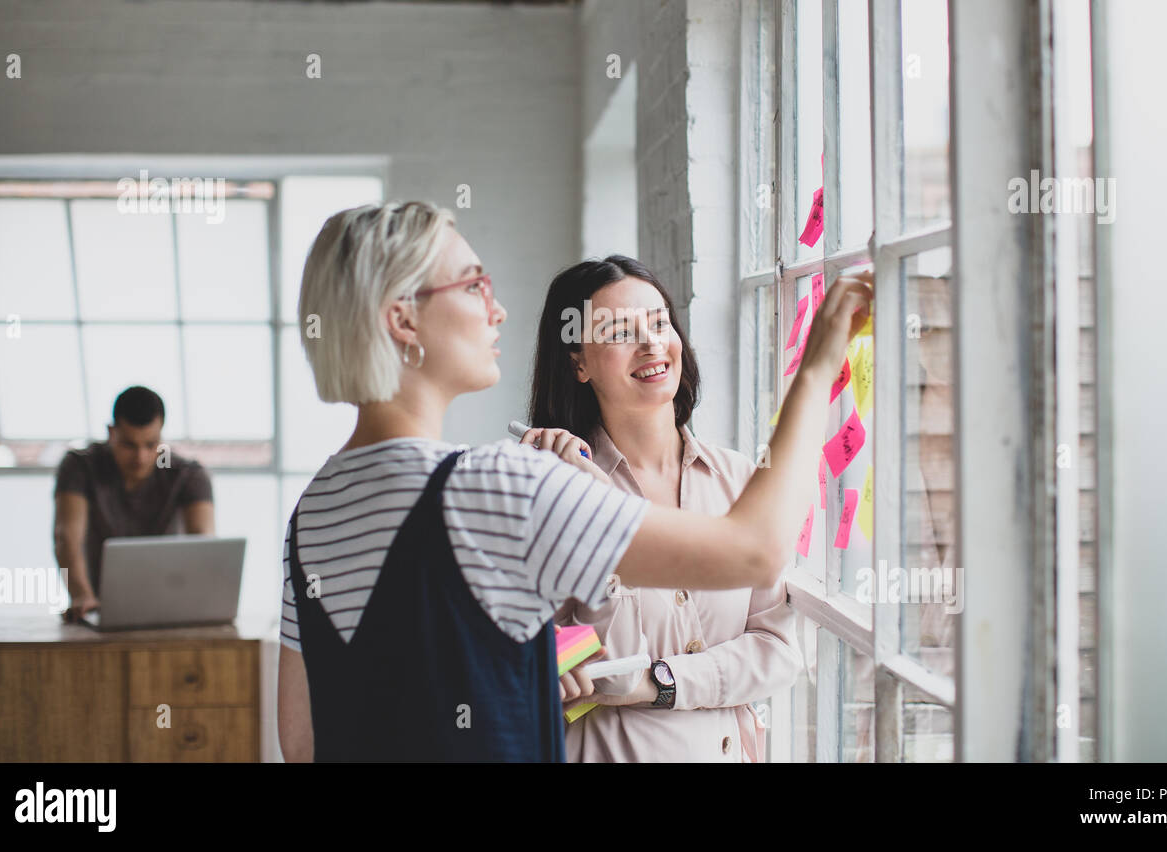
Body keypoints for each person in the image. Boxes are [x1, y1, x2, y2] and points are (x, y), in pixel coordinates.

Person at [277, 200, 871, 762]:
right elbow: (756, 552)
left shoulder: (314, 510)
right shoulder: (495, 483)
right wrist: (818, 363)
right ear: (402, 319)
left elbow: (304, 741)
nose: (497, 308)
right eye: (473, 284)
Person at [523, 256, 801, 762]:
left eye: (658, 322)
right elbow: (589, 677)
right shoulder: (550, 492)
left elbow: (778, 652)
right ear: (578, 364)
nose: (651, 343)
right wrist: (598, 509)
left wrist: (662, 682)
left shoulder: (739, 480)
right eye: (618, 332)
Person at [54, 385, 215, 621]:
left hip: (172, 609)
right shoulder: (81, 466)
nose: (141, 457)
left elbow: (203, 541)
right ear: (111, 432)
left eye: (151, 445)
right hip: (98, 607)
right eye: (129, 445)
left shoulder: (186, 473)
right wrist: (81, 595)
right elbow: (66, 537)